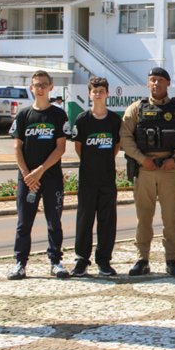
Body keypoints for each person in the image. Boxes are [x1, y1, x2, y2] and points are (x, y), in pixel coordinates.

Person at [120, 67, 175, 277]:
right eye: (152, 80)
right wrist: (141, 158)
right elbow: (125, 138)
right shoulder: (136, 108)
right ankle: (142, 258)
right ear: (148, 83)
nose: (156, 84)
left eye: (160, 80)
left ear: (167, 83)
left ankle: (172, 259)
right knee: (143, 217)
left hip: (169, 170)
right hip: (144, 169)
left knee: (171, 217)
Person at [7, 70, 70, 280]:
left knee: (54, 222)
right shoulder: (24, 115)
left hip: (51, 178)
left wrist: (40, 171)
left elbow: (61, 148)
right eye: (36, 85)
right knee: (24, 223)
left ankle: (55, 262)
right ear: (31, 88)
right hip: (27, 180)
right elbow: (17, 148)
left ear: (51, 87)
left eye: (44, 84)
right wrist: (28, 175)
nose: (40, 88)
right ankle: (20, 263)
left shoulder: (58, 115)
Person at [70, 77, 121, 277]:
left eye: (101, 90)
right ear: (89, 94)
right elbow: (78, 147)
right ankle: (82, 260)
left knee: (107, 221)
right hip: (87, 179)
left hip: (107, 178)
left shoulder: (114, 120)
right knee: (84, 219)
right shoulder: (83, 119)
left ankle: (104, 261)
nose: (98, 94)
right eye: (94, 91)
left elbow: (116, 146)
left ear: (107, 94)